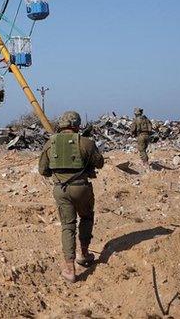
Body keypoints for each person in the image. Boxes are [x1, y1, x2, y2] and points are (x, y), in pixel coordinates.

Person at [38, 111, 104, 282]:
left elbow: (43, 171)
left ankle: (69, 269)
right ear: (77, 125)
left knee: (68, 226)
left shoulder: (50, 143)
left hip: (61, 190)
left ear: (61, 124)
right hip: (82, 188)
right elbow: (100, 163)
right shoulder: (86, 142)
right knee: (87, 218)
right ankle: (84, 253)